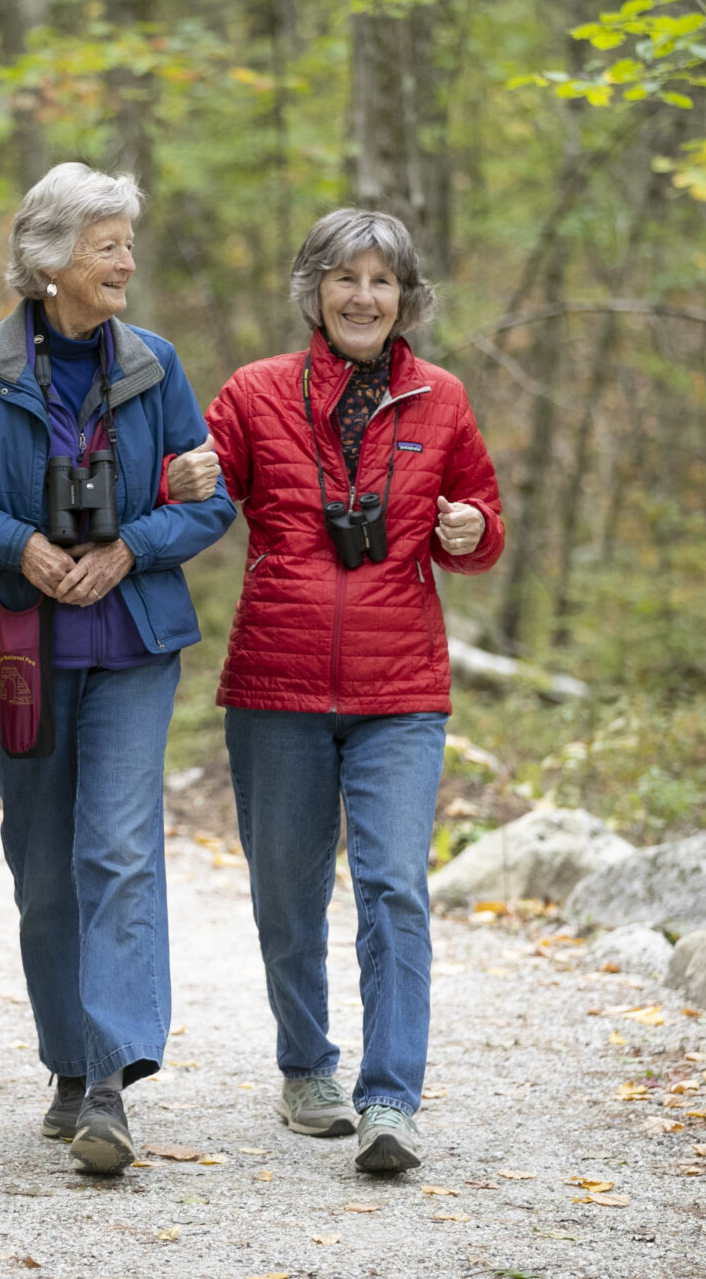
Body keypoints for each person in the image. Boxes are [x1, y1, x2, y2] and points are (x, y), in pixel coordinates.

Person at [0, 163, 235, 1175]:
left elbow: (210, 496)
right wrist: (21, 547)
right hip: (19, 647)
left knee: (120, 851)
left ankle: (108, 1081)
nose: (127, 262)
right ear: (49, 260)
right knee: (43, 867)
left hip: (133, 641)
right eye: (107, 246)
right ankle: (66, 1059)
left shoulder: (157, 363)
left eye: (127, 244)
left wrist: (131, 544)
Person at [202, 209, 504, 1175]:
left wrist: (470, 530)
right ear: (315, 292)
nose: (363, 297)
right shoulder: (254, 393)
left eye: (381, 282)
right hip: (275, 684)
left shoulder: (441, 399)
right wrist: (185, 476)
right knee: (287, 894)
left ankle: (390, 1100)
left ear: (405, 297)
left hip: (400, 689)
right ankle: (306, 1069)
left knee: (393, 890)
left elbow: (485, 521)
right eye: (344, 279)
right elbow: (200, 499)